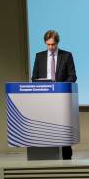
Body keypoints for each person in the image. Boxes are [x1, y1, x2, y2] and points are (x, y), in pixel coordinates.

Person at [31, 30, 77, 160]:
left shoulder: (67, 56)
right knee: (46, 129)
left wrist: (60, 87)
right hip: (44, 100)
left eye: (53, 44)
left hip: (61, 99)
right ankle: (46, 155)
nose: (51, 47)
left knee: (62, 129)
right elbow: (34, 77)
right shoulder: (39, 56)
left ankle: (67, 157)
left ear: (57, 42)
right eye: (48, 44)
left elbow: (72, 76)